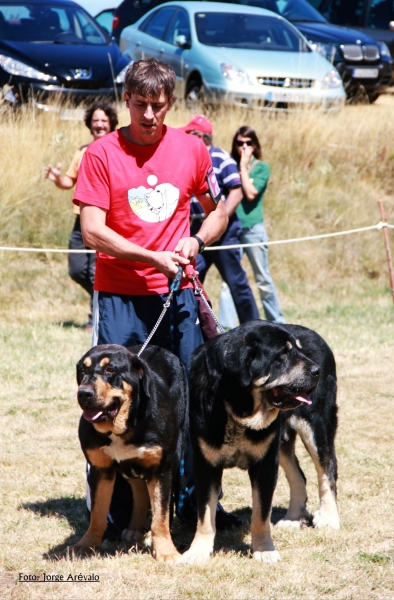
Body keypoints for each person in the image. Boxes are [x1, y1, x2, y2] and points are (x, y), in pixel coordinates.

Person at [73, 58, 239, 533]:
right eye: (140, 104)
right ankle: (116, 514)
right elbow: (92, 231)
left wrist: (196, 240)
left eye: (158, 105)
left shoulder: (191, 149)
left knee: (190, 399)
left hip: (178, 295)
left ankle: (193, 505)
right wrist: (151, 258)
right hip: (121, 297)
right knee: (107, 402)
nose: (149, 115)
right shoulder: (101, 153)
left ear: (171, 103)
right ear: (126, 100)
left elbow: (219, 210)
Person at [43, 102, 118, 329]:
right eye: (95, 120)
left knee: (97, 270)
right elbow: (69, 181)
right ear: (89, 123)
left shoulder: (119, 149)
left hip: (106, 222)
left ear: (112, 123)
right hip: (81, 220)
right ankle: (106, 302)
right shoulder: (82, 151)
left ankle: (96, 317)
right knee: (77, 270)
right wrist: (57, 178)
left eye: (104, 120)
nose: (99, 124)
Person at [180, 115, 259, 326]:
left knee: (236, 281)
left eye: (188, 134)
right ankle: (193, 325)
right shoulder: (188, 159)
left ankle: (253, 327)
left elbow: (236, 191)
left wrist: (218, 219)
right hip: (197, 230)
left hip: (224, 232)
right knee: (191, 280)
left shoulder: (221, 158)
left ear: (199, 136)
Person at [220, 126, 285, 325]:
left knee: (263, 279)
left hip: (253, 230)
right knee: (228, 281)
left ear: (255, 146)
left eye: (248, 143)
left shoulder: (262, 168)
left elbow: (249, 193)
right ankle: (228, 328)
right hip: (232, 230)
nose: (244, 147)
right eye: (240, 143)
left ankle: (278, 323)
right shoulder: (228, 165)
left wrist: (243, 167)